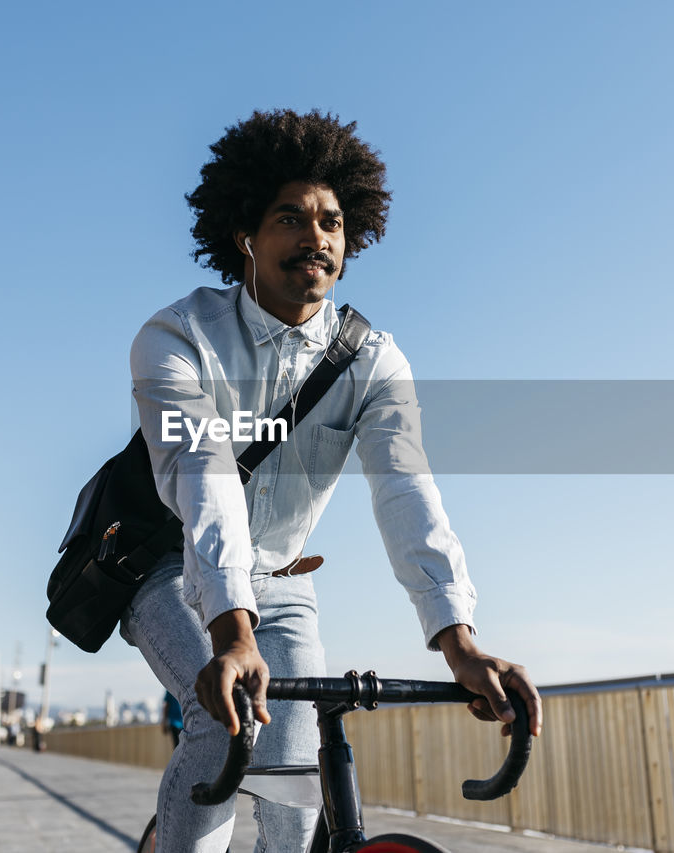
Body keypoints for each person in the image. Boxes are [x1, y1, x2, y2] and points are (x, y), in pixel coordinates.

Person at [123, 109, 542, 853]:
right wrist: (231, 628)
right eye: (290, 217)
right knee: (224, 726)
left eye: (332, 222)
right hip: (166, 565)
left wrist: (459, 643)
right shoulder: (177, 339)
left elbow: (407, 489)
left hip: (283, 580)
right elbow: (206, 475)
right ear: (244, 236)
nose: (316, 236)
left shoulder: (373, 360)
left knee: (295, 763)